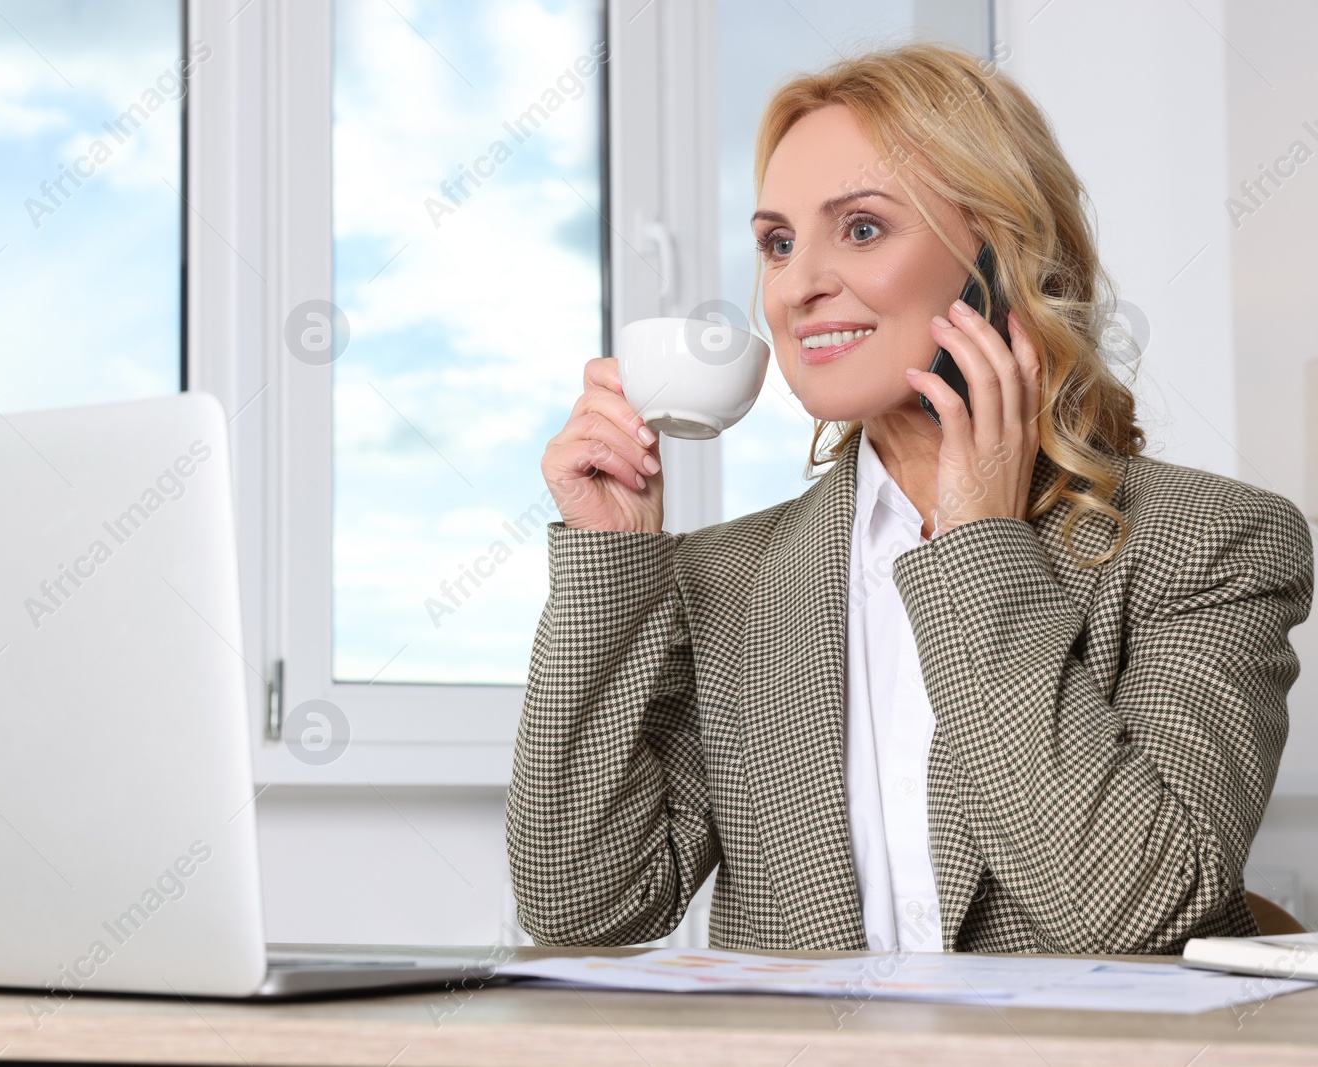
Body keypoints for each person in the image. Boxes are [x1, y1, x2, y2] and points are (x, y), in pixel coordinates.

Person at [505, 41, 1314, 955]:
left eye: (859, 229)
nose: (797, 286)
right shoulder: (727, 579)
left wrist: (979, 545)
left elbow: (1131, 910)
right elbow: (583, 908)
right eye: (777, 243)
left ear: (1001, 262)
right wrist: (610, 569)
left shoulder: (1218, 543)